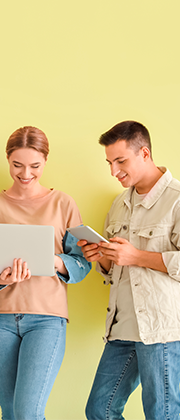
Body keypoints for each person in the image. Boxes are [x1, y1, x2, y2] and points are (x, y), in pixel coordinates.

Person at [0, 126, 90, 419]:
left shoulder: (64, 203)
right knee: (10, 411)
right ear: (8, 161)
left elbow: (80, 263)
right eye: (17, 165)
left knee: (28, 412)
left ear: (45, 163)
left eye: (34, 166)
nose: (26, 174)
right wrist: (3, 277)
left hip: (46, 318)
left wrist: (52, 260)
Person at [80, 121, 180, 419]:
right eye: (110, 162)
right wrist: (101, 256)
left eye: (120, 161)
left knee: (161, 413)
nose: (113, 171)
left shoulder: (176, 199)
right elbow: (115, 269)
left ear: (144, 153)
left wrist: (136, 256)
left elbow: (138, 259)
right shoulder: (119, 203)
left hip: (161, 328)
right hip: (122, 326)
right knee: (100, 410)